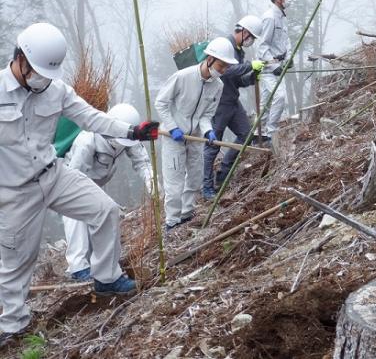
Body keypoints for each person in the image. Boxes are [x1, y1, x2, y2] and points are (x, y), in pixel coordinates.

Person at [0, 23, 158, 345]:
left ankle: (107, 278)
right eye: (38, 72)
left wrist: (131, 132)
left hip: (53, 174)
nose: (43, 80)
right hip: (15, 192)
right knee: (18, 261)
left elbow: (91, 117)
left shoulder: (56, 90)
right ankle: (13, 325)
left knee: (105, 210)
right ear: (20, 59)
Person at [62, 103, 153, 282]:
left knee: (103, 216)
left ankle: (99, 266)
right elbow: (76, 176)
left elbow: (142, 162)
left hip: (94, 184)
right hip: (71, 182)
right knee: (76, 218)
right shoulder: (87, 140)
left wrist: (153, 185)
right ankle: (78, 267)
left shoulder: (129, 136)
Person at [155, 37, 238, 230]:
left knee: (194, 178)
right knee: (174, 184)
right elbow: (161, 102)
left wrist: (208, 131)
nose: (223, 70)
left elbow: (206, 115)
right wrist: (173, 126)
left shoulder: (218, 86)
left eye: (226, 67)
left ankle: (186, 214)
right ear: (209, 59)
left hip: (194, 138)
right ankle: (172, 221)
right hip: (173, 137)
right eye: (221, 65)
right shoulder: (183, 77)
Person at [202, 15, 264, 200]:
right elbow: (225, 71)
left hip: (232, 101)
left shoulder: (240, 52)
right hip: (218, 102)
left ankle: (224, 173)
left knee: (246, 134)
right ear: (243, 31)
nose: (250, 40)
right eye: (251, 36)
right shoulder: (225, 46)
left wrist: (253, 76)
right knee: (213, 144)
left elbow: (237, 81)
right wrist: (247, 66)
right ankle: (206, 187)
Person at [256, 0, 293, 144]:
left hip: (279, 66)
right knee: (280, 97)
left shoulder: (282, 16)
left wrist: (289, 58)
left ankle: (259, 133)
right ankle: (271, 132)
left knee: (265, 102)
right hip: (268, 69)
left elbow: (286, 41)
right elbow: (262, 47)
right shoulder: (269, 18)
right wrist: (274, 64)